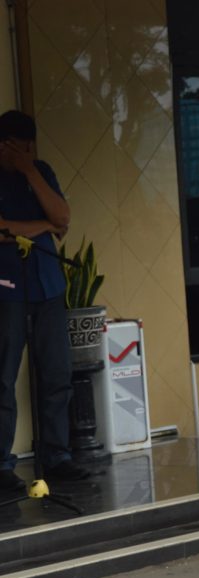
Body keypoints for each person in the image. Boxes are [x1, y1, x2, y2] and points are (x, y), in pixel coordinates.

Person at [0, 109, 83, 494]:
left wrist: (30, 170)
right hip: (6, 289)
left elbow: (63, 215)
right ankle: (2, 463)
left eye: (24, 146)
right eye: (13, 147)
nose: (18, 153)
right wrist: (46, 228)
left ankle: (58, 456)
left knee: (56, 374)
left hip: (47, 286)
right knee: (4, 377)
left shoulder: (42, 172)